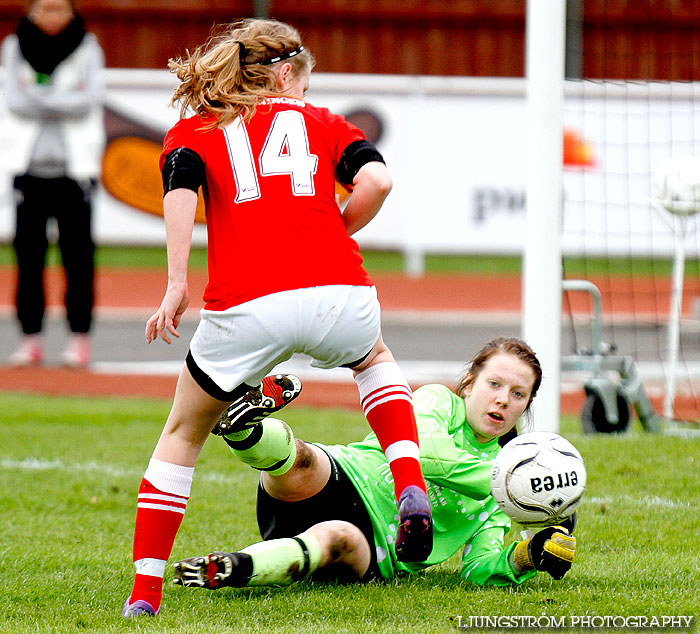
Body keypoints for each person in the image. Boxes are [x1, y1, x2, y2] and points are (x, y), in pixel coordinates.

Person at [122, 18, 432, 617]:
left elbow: (181, 193)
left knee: (184, 433)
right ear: (286, 74)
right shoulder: (319, 122)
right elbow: (379, 180)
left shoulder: (192, 129)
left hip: (247, 304)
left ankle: (145, 593)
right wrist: (334, 232)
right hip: (341, 291)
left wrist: (176, 283)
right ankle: (409, 485)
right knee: (373, 359)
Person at [171, 337, 577, 591]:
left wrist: (529, 555)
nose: (504, 399)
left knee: (336, 539)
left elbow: (478, 568)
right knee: (303, 460)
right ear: (469, 382)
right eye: (495, 384)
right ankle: (243, 429)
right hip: (344, 476)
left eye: (519, 393)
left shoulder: (502, 493)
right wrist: (503, 482)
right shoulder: (437, 401)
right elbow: (424, 454)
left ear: (526, 405)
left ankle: (235, 566)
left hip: (375, 544)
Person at [0, 0, 105, 368]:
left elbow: (89, 100)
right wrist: (63, 100)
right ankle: (31, 341)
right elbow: (13, 101)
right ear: (32, 12)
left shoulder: (87, 47)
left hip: (75, 174)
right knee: (28, 259)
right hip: (28, 172)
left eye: (59, 8)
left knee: (78, 260)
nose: (52, 16)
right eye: (45, 8)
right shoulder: (15, 46)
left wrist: (40, 98)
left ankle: (79, 341)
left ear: (72, 12)